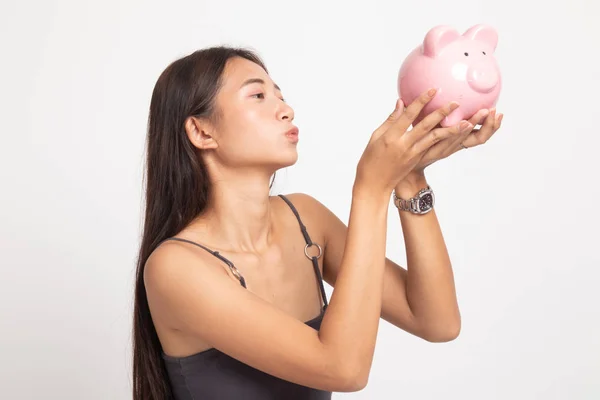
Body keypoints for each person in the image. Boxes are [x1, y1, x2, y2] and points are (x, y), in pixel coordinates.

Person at [132, 46, 503, 400]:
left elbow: (437, 321)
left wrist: (410, 178)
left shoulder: (304, 219)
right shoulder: (174, 268)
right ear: (201, 132)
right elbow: (343, 370)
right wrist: (372, 189)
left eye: (279, 95)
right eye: (257, 96)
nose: (286, 109)